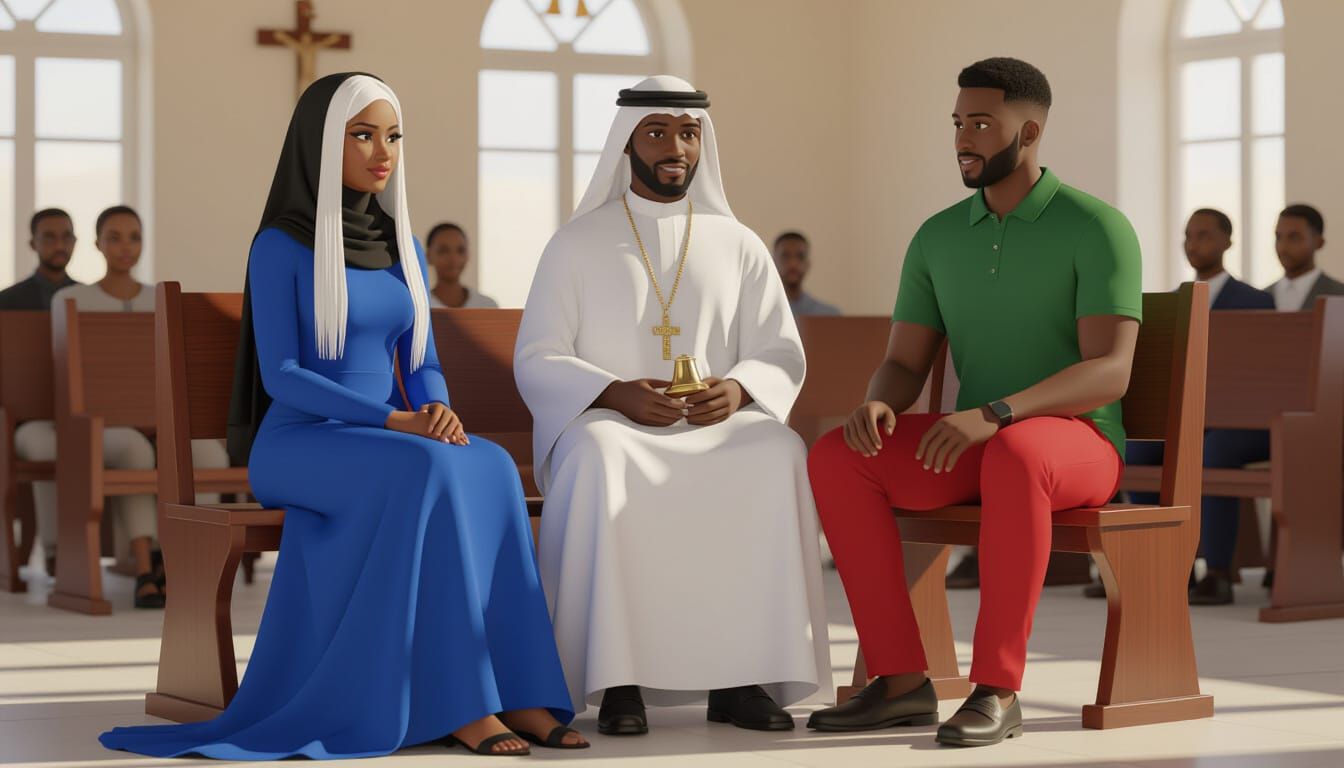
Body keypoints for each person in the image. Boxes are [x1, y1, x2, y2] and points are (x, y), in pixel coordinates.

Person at [100, 73, 582, 759]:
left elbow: (420, 363)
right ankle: (463, 701)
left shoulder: (403, 247)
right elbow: (285, 378)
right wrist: (396, 424)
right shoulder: (280, 245)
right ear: (322, 144)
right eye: (362, 135)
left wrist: (436, 406)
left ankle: (521, 689)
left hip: (386, 440)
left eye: (391, 136)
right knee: (425, 469)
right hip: (301, 444)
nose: (381, 152)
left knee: (493, 465)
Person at [806, 58, 1141, 747]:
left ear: (1030, 132)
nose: (964, 138)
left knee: (1017, 451)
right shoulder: (936, 237)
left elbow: (1110, 371)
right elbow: (904, 361)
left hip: (1079, 444)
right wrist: (877, 404)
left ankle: (997, 689)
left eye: (982, 124)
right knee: (840, 454)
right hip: (981, 442)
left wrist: (996, 414)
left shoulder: (1096, 227)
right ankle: (901, 682)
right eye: (959, 123)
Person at [514, 75, 830, 736]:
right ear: (626, 143)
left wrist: (739, 389)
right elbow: (539, 356)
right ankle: (618, 681)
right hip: (609, 422)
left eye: (687, 133)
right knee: (601, 455)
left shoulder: (738, 243)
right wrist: (613, 392)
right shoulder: (575, 243)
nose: (675, 147)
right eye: (657, 132)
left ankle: (742, 679)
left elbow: (779, 350)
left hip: (716, 424)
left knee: (777, 450)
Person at [14, 206, 232, 608]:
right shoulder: (72, 298)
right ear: (98, 244)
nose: (125, 246)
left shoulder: (161, 298)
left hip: (159, 419)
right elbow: (70, 375)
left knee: (206, 453)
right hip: (99, 420)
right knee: (132, 447)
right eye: (114, 237)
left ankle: (195, 564)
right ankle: (146, 564)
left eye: (133, 236)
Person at [1094, 208, 1273, 605]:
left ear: (1227, 241)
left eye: (1204, 235)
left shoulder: (1256, 301)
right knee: (1135, 450)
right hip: (1183, 416)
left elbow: (1263, 372)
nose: (1194, 244)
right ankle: (1161, 565)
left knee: (1212, 452)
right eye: (1188, 236)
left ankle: (1220, 572)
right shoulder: (1175, 301)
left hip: (1231, 422)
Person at [1267, 204, 1344, 311]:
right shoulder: (1260, 298)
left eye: (1294, 237)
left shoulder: (1339, 296)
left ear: (1319, 242)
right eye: (1278, 237)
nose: (1283, 247)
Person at [0, 208, 79, 309]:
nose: (60, 246)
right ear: (33, 244)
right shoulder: (6, 301)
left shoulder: (89, 299)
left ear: (75, 241)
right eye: (49, 238)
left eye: (66, 237)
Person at [423, 222, 499, 308]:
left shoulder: (487, 306)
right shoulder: (422, 307)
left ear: (468, 255)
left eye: (460, 250)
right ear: (428, 256)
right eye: (443, 251)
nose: (453, 259)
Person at [773, 231, 840, 318]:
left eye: (800, 256)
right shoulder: (758, 313)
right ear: (773, 263)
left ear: (808, 264)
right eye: (785, 256)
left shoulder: (829, 316)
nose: (793, 264)